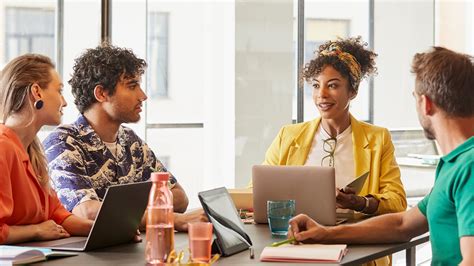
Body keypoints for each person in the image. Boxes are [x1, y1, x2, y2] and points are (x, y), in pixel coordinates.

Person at [289, 47, 474, 265]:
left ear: (426, 104)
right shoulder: (454, 164)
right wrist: (325, 234)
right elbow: (403, 225)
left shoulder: (468, 167)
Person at [43, 44, 205, 232]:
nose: (142, 96)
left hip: (130, 249)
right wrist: (167, 218)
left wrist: (127, 213)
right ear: (101, 93)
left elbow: (178, 197)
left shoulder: (129, 140)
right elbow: (87, 212)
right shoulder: (63, 143)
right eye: (132, 86)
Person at [258, 37, 406, 215]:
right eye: (315, 85)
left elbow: (397, 200)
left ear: (353, 91)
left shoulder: (378, 139)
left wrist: (359, 202)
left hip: (354, 237)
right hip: (299, 233)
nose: (321, 94)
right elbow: (259, 190)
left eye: (332, 85)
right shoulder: (288, 136)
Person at [0, 54, 93, 244]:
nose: (65, 102)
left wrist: (105, 230)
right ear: (37, 92)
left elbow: (57, 215)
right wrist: (35, 231)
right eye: (59, 91)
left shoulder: (32, 150)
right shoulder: (3, 148)